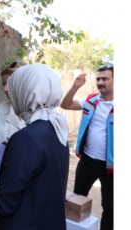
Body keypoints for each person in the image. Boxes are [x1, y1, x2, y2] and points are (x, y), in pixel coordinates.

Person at [0, 64, 70, 229]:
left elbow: (7, 199)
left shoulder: (26, 138)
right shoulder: (57, 130)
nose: (10, 92)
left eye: (15, 87)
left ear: (25, 91)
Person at [60, 64, 113, 230]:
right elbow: (65, 105)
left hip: (111, 168)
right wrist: (75, 86)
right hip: (87, 161)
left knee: (110, 208)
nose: (100, 82)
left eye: (105, 79)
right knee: (76, 201)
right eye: (98, 79)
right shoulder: (91, 100)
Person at [0, 61, 26, 191]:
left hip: (29, 184)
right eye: (3, 84)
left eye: (10, 84)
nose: (5, 89)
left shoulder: (42, 114)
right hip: (3, 183)